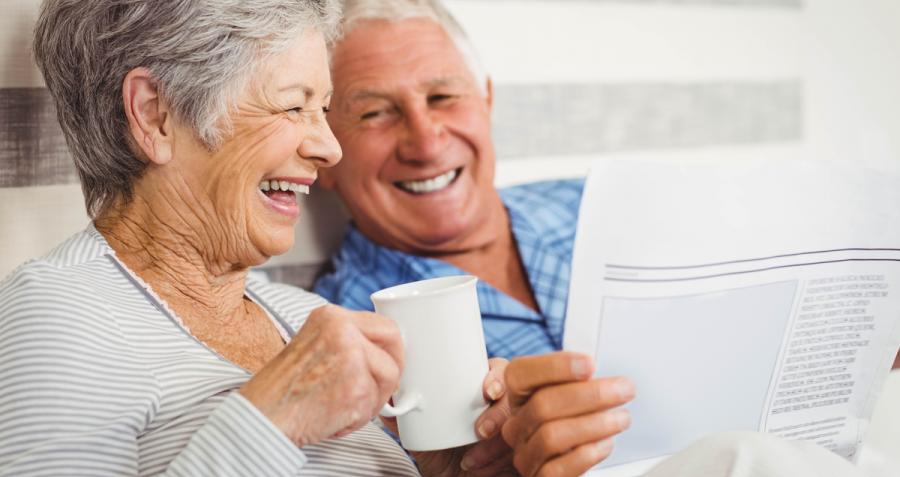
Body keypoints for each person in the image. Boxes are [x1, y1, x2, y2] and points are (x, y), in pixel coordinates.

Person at [313, 1, 885, 475]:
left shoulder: (606, 202)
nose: (426, 139)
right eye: (375, 114)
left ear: (486, 102)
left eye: (443, 98)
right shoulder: (345, 329)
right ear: (328, 151)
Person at [0, 1, 515, 475]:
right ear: (155, 115)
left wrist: (449, 471)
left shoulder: (302, 315)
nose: (329, 148)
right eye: (294, 107)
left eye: (325, 109)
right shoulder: (58, 310)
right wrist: (273, 418)